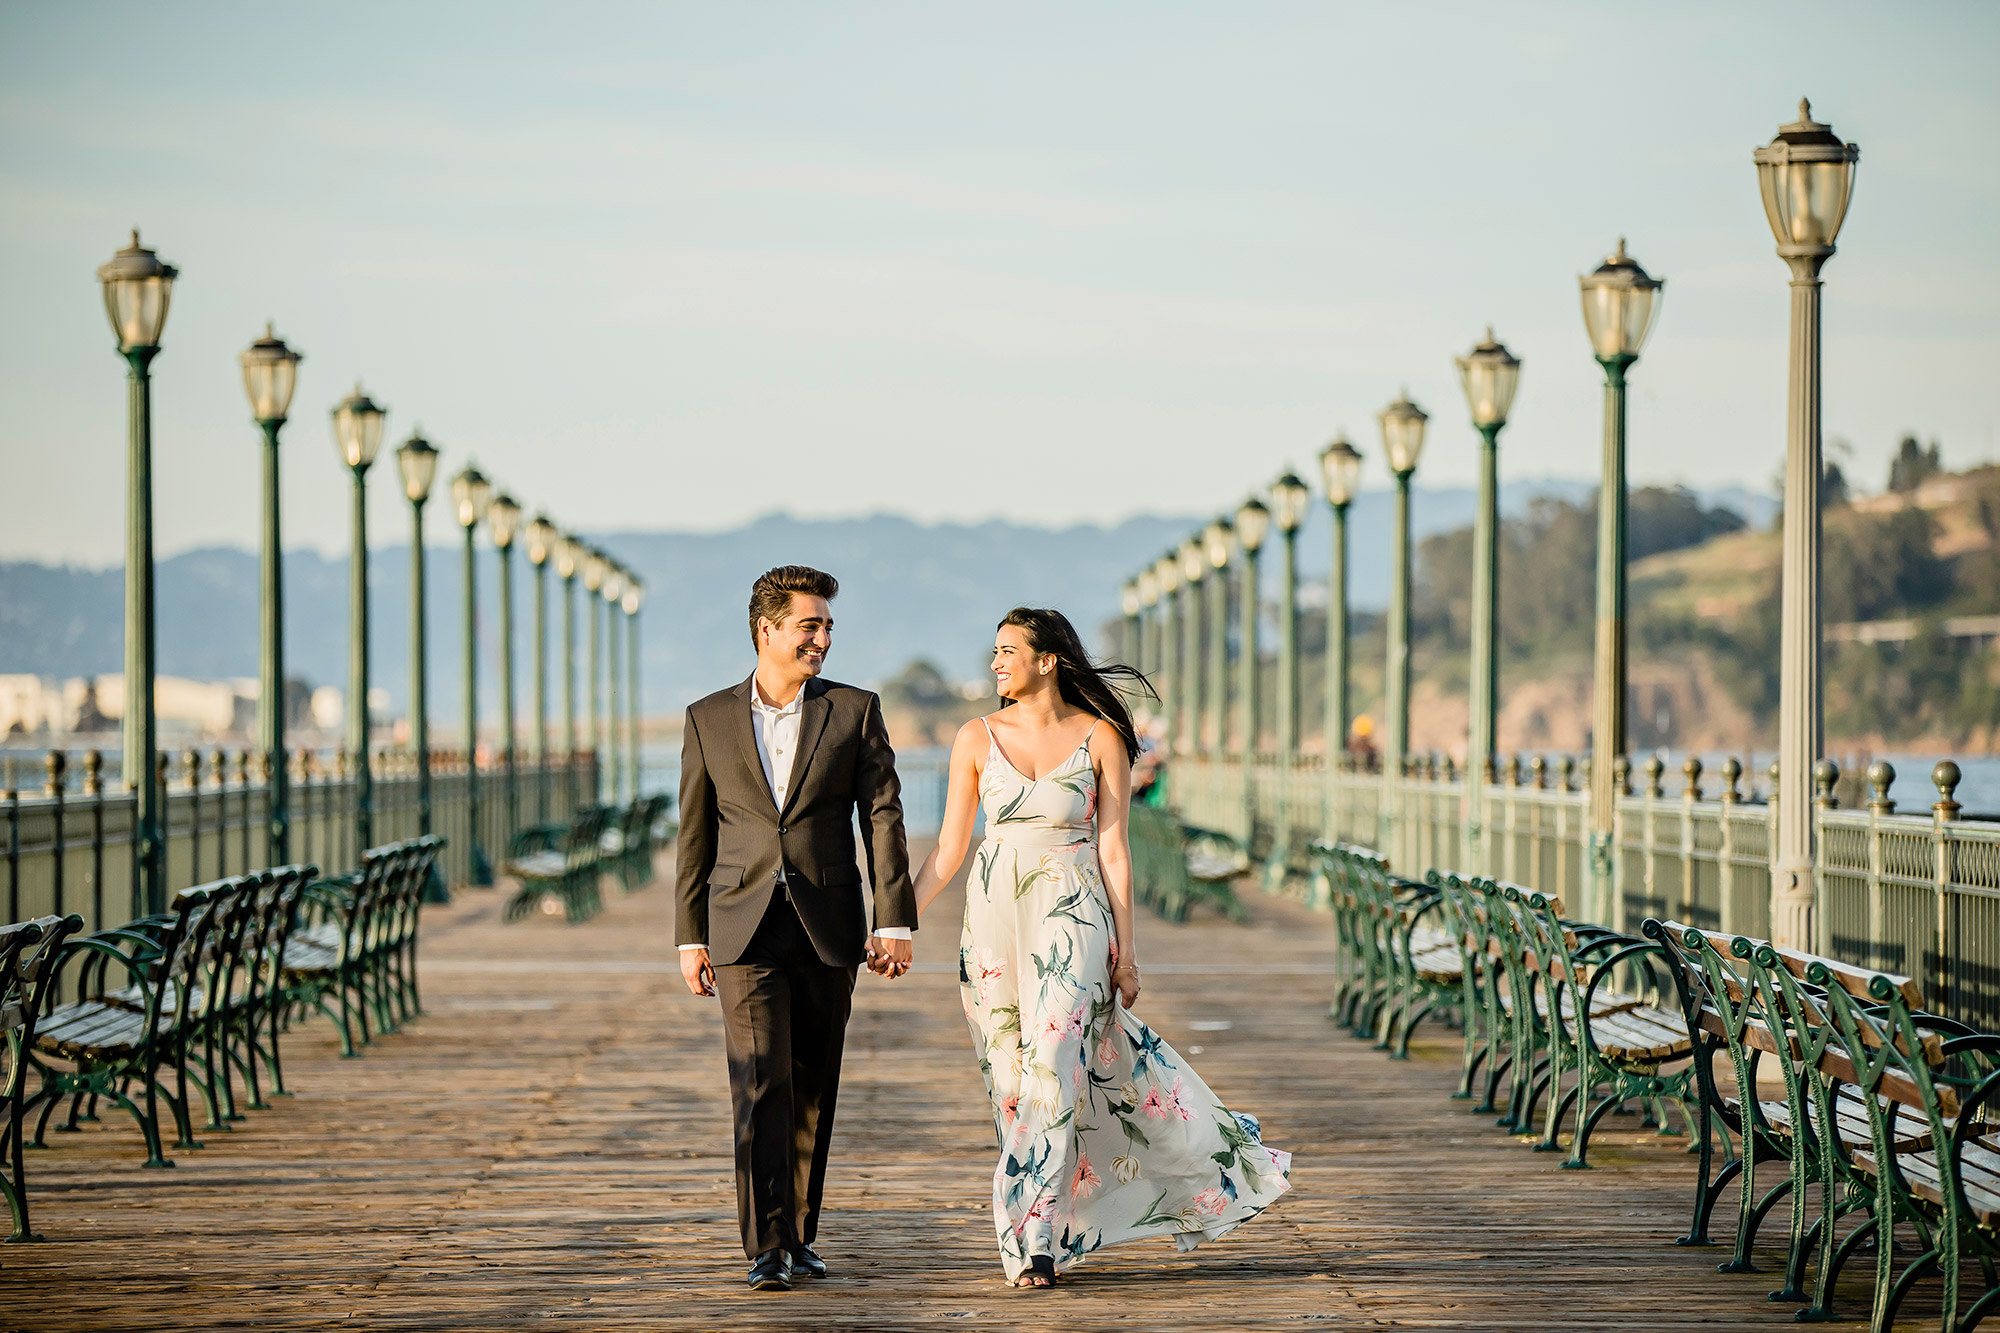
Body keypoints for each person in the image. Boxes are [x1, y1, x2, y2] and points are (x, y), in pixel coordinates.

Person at [909, 607, 1291, 1288]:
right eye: (994, 651)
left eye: (1008, 650)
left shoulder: (1102, 736)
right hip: (994, 928)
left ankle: (1035, 1243)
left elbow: (1114, 849)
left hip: (1073, 918)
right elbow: (947, 848)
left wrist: (1128, 951)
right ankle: (1057, 1220)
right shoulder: (975, 737)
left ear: (1047, 658)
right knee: (1014, 1086)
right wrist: (896, 921)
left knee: (1054, 1065)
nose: (995, 662)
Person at [676, 564, 917, 1292]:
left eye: (828, 626)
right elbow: (694, 835)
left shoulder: (854, 710)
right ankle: (768, 1243)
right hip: (741, 926)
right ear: (766, 630)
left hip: (828, 924)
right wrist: (689, 935)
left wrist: (895, 917)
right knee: (760, 1082)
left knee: (814, 1084)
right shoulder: (707, 717)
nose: (823, 638)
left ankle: (801, 1232)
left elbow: (883, 816)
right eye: (810, 625)